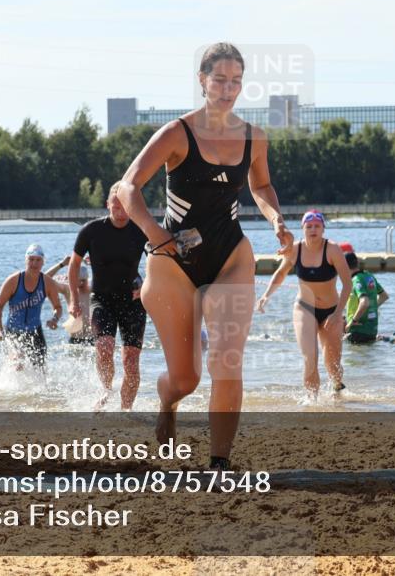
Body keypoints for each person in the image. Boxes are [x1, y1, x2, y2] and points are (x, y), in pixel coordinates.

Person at [118, 42, 292, 470]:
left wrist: (276, 219)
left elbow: (261, 186)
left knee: (227, 360)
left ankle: (220, 464)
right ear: (202, 80)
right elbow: (127, 187)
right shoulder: (177, 133)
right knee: (186, 379)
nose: (228, 89)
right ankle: (167, 403)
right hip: (172, 262)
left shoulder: (253, 137)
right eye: (220, 80)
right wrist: (156, 235)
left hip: (230, 255)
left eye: (236, 81)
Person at [69, 182, 148, 410]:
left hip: (133, 301)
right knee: (104, 347)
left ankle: (126, 411)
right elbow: (74, 265)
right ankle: (105, 389)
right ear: (108, 205)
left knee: (130, 360)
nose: (120, 211)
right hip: (102, 300)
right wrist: (74, 299)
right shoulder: (91, 231)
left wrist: (146, 286)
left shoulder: (141, 229)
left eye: (124, 206)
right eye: (115, 206)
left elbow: (159, 259)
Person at [257, 210, 351, 396]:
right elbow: (281, 273)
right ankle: (312, 401)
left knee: (333, 364)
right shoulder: (295, 249)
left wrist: (337, 313)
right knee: (310, 357)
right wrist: (266, 295)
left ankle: (337, 391)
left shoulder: (332, 249)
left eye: (317, 226)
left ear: (323, 228)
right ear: (302, 229)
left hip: (332, 310)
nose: (313, 230)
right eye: (309, 226)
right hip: (304, 308)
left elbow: (348, 284)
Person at [0, 244, 63, 368]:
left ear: (43, 262)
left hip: (35, 332)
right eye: (31, 259)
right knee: (17, 362)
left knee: (41, 370)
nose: (34, 263)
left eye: (38, 260)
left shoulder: (48, 283)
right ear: (26, 260)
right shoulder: (13, 281)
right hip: (13, 331)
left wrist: (55, 319)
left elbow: (58, 307)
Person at [342, 246, 389, 345]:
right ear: (357, 263)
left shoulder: (355, 280)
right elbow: (384, 296)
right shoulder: (369, 276)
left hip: (358, 331)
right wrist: (372, 308)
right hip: (372, 331)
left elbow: (364, 303)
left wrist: (352, 321)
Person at [46, 255, 94, 345]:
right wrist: (62, 264)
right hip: (74, 339)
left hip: (92, 339)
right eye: (79, 280)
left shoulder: (92, 288)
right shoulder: (67, 290)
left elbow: (112, 277)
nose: (81, 283)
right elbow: (44, 279)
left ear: (87, 279)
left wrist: (95, 263)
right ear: (73, 280)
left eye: (84, 281)